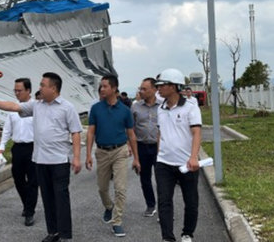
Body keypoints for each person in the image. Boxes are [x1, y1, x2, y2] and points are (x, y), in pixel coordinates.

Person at [0, 72, 82, 242]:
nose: (39, 88)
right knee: (47, 198)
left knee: (61, 198)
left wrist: (76, 157)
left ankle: (65, 235)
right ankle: (53, 232)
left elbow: (76, 132)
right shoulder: (36, 106)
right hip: (40, 159)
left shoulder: (67, 107)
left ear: (53, 88)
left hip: (60, 160)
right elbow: (13, 107)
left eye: (42, 85)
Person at [85, 75, 140, 238]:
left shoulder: (125, 110)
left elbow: (131, 135)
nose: (101, 89)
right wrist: (88, 154)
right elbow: (91, 132)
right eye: (101, 87)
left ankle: (117, 221)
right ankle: (109, 206)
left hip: (120, 151)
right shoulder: (96, 109)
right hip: (101, 152)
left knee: (120, 188)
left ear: (114, 89)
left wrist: (136, 158)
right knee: (102, 188)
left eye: (104, 86)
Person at [155, 68, 202, 242]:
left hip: (186, 163)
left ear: (173, 86)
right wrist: (160, 152)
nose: (158, 88)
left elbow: (196, 132)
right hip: (164, 163)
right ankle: (168, 237)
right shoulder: (161, 108)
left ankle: (187, 233)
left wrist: (194, 157)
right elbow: (161, 132)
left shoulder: (191, 107)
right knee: (164, 201)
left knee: (191, 202)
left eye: (162, 85)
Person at [0, 78, 38, 226]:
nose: (17, 93)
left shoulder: (36, 108)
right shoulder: (13, 110)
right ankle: (27, 204)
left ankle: (29, 212)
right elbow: (7, 130)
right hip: (18, 148)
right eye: (15, 90)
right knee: (18, 179)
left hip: (33, 148)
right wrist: (1, 146)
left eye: (19, 90)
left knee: (33, 181)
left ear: (28, 91)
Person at [130, 77, 162, 218]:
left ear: (154, 90)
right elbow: (131, 129)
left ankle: (164, 208)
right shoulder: (135, 106)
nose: (141, 91)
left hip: (160, 147)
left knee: (163, 179)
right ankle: (150, 205)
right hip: (142, 147)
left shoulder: (163, 106)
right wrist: (132, 150)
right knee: (145, 178)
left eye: (144, 89)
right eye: (140, 88)